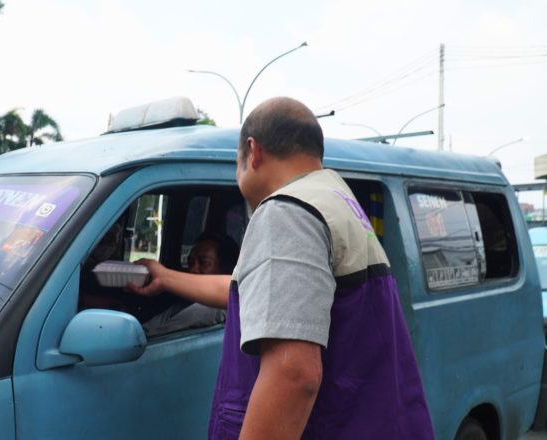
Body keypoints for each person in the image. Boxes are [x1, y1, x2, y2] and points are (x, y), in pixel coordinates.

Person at [129, 97, 434, 439]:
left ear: (252, 151)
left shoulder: (286, 212)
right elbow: (256, 289)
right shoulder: (334, 199)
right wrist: (166, 277)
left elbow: (294, 373)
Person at [140, 233, 238, 337]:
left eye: (203, 263)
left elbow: (152, 337)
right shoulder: (184, 304)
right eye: (190, 263)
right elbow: (146, 329)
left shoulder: (213, 308)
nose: (193, 269)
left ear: (225, 269)